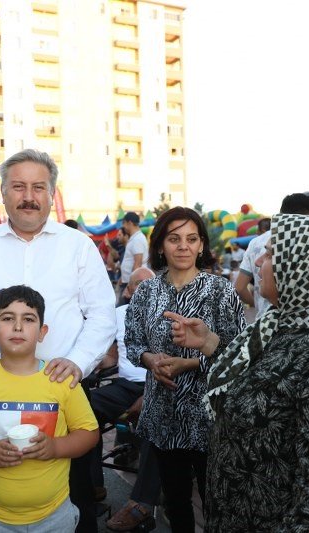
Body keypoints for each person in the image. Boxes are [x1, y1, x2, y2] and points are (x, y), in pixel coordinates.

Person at [168, 214, 309, 531]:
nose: (259, 259)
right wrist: (210, 343)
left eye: (272, 253)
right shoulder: (284, 323)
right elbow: (269, 382)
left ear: (305, 265)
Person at [0, 148, 116, 532]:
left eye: (38, 187)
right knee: (1, 475)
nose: (28, 196)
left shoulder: (78, 245)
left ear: (51, 194)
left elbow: (102, 313)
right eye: (18, 186)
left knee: (76, 494)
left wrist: (78, 361)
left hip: (65, 387)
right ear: (3, 194)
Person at [0, 285, 99, 532]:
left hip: (55, 517)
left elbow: (89, 433)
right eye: (7, 318)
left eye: (28, 319)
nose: (17, 326)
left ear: (42, 332)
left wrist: (56, 446)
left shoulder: (61, 379)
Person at [125, 206, 245, 532]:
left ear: (202, 245)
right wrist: (151, 361)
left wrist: (190, 363)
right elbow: (133, 343)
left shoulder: (220, 291)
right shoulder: (147, 291)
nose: (183, 246)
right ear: (161, 245)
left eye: (192, 239)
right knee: (175, 502)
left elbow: (238, 353)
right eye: (174, 238)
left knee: (215, 502)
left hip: (210, 417)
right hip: (164, 415)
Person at [89, 267, 162, 531]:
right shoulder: (117, 316)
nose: (142, 290)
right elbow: (109, 358)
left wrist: (149, 395)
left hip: (160, 386)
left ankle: (141, 504)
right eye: (136, 285)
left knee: (158, 416)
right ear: (129, 291)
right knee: (80, 408)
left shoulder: (169, 315)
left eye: (148, 285)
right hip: (124, 385)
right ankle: (93, 484)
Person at [118, 212, 148, 304]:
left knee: (123, 311)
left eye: (124, 223)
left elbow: (137, 263)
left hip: (131, 285)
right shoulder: (135, 238)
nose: (123, 227)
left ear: (129, 223)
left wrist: (130, 286)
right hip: (129, 283)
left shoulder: (137, 239)